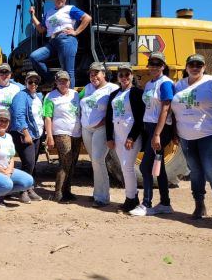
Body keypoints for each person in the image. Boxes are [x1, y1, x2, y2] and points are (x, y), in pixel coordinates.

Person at [171, 54, 212, 228]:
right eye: (192, 64)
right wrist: (175, 131)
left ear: (204, 67)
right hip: (186, 136)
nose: (195, 67)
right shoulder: (179, 85)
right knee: (195, 172)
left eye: (199, 64)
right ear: (186, 66)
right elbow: (174, 110)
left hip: (210, 135)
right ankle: (199, 205)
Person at [130, 52, 175, 217]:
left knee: (145, 166)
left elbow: (165, 109)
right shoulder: (149, 84)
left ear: (163, 66)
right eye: (152, 63)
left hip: (160, 129)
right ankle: (165, 203)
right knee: (159, 167)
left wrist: (157, 134)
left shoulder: (166, 84)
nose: (154, 66)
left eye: (158, 63)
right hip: (149, 128)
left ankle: (147, 204)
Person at [29, 0, 92, 88]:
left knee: (67, 71)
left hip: (66, 39)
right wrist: (33, 16)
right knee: (34, 57)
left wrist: (76, 32)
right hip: (52, 42)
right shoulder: (48, 13)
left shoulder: (70, 9)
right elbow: (41, 29)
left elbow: (87, 18)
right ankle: (50, 80)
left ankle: (70, 97)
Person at [105, 64, 145, 213]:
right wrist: (109, 137)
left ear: (132, 75)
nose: (124, 77)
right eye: (121, 75)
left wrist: (132, 137)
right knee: (124, 167)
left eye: (127, 74)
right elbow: (109, 117)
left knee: (127, 166)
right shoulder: (114, 95)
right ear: (118, 78)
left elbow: (140, 118)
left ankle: (131, 199)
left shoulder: (136, 93)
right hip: (118, 136)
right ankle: (132, 197)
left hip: (130, 136)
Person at [79, 62, 119, 207]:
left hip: (101, 129)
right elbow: (77, 101)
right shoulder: (87, 88)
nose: (93, 76)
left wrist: (104, 122)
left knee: (98, 159)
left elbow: (117, 109)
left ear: (104, 74)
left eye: (97, 73)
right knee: (94, 162)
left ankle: (103, 197)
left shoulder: (112, 89)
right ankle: (97, 193)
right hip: (86, 129)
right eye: (91, 73)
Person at [43, 70, 81, 202]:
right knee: (66, 161)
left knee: (73, 163)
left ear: (69, 82)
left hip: (76, 132)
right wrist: (49, 136)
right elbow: (47, 117)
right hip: (61, 132)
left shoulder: (75, 94)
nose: (63, 83)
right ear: (56, 82)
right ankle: (58, 193)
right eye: (60, 81)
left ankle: (67, 190)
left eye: (65, 81)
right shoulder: (50, 96)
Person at [10, 71, 44, 203]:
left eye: (36, 82)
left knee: (33, 164)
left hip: (36, 135)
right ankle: (22, 191)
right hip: (24, 134)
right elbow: (19, 116)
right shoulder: (21, 96)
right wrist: (26, 133)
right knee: (28, 163)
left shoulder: (38, 97)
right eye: (30, 81)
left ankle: (30, 188)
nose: (33, 84)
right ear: (26, 82)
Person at [0, 62, 21, 130]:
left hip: (11, 124)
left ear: (10, 74)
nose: (4, 75)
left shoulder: (16, 88)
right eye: (1, 73)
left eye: (7, 73)